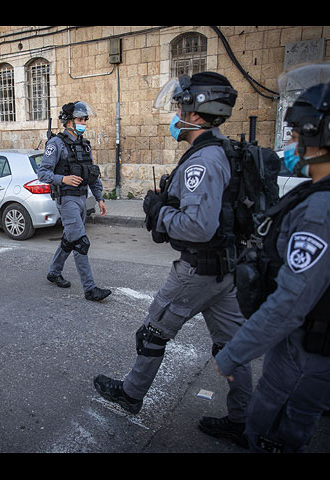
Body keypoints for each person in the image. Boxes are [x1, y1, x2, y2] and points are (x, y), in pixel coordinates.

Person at [213, 63, 330, 453]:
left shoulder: (325, 210)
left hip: (307, 356)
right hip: (316, 350)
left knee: (271, 435)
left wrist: (233, 355)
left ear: (324, 134)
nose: (291, 138)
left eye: (298, 130)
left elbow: (290, 302)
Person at [94, 72, 253, 448]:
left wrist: (158, 209)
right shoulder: (224, 150)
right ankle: (243, 419)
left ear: (197, 114)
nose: (176, 113)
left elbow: (197, 227)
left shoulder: (204, 161)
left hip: (197, 269)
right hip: (225, 270)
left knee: (152, 333)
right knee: (233, 347)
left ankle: (131, 394)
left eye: (181, 106)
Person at [37, 101, 111, 302]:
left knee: (70, 238)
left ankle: (54, 271)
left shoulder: (84, 144)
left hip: (82, 198)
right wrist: (63, 179)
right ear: (68, 122)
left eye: (85, 119)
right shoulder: (56, 144)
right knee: (80, 242)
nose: (84, 122)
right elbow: (42, 173)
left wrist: (99, 197)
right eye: (80, 119)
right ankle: (90, 289)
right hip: (66, 198)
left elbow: (92, 173)